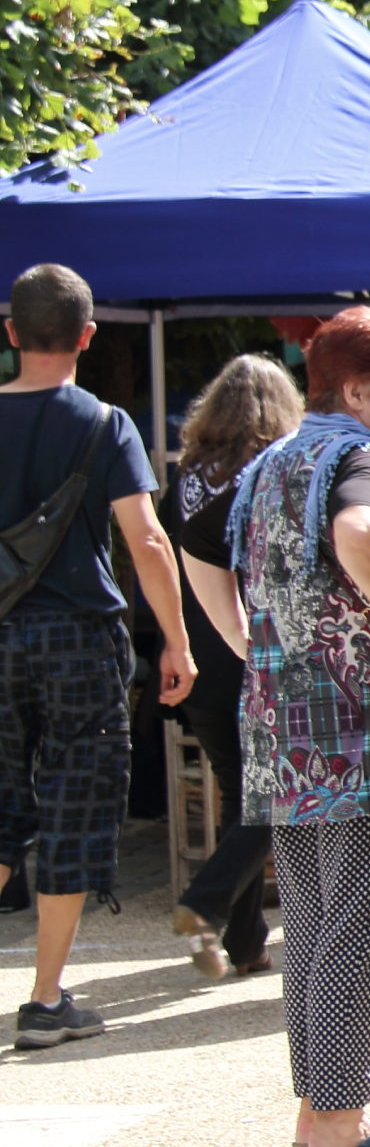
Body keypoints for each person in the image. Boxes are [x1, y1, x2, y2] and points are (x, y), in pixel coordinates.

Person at [191, 306, 370, 1147]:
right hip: (357, 736)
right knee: (359, 933)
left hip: (284, 736)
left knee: (314, 928)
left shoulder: (274, 456)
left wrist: (247, 640)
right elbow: (359, 528)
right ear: (356, 389)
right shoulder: (355, 455)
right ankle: (330, 1123)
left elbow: (193, 540)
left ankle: (337, 1116)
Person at [1, 263, 196, 1049]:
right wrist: (178, 641)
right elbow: (147, 538)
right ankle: (46, 999)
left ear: (10, 333)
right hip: (80, 639)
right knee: (75, 809)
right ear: (87, 335)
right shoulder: (105, 423)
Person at [167, 354, 305, 983]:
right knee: (276, 797)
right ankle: (206, 901)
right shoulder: (272, 473)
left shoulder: (187, 475)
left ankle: (245, 940)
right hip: (257, 649)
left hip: (199, 653)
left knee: (240, 794)